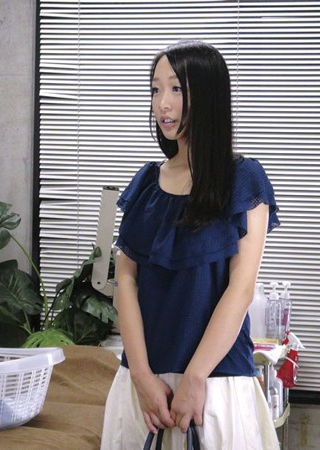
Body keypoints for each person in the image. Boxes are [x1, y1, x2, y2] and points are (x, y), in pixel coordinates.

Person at [100, 40, 281, 449]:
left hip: (215, 384)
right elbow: (126, 281)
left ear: (208, 96)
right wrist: (141, 376)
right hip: (142, 389)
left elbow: (241, 289)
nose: (162, 103)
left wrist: (196, 378)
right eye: (155, 89)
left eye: (176, 89)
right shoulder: (147, 184)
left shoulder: (244, 180)